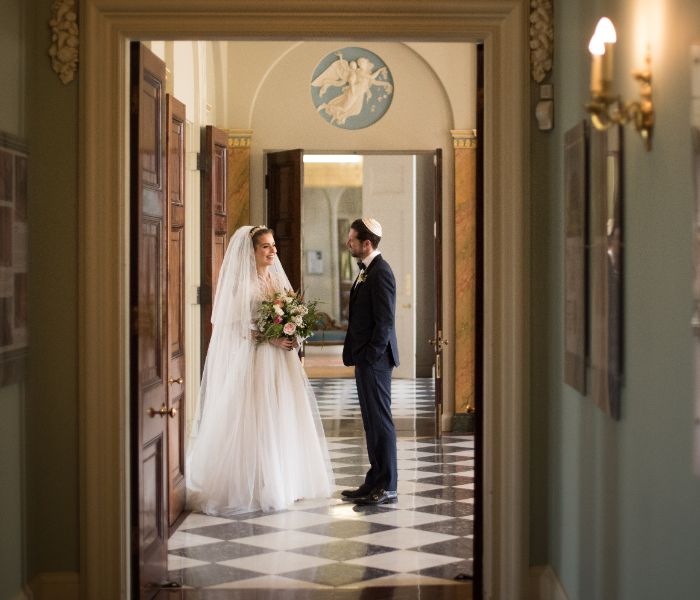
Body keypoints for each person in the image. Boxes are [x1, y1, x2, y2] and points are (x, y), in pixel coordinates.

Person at [186, 225, 334, 515]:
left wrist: (293, 332)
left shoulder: (277, 281)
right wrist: (272, 337)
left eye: (273, 245)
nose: (272, 251)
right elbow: (237, 328)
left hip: (282, 362)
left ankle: (285, 480)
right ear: (251, 252)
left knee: (283, 416)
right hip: (257, 361)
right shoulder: (244, 287)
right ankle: (256, 482)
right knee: (258, 418)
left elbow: (293, 314)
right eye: (265, 246)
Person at [341, 218, 399, 505]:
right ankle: (374, 480)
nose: (348, 242)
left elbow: (385, 322)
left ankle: (388, 485)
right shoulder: (367, 270)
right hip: (366, 360)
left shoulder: (381, 272)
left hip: (375, 360)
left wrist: (372, 356)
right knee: (370, 422)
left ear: (367, 243)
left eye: (352, 239)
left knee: (380, 421)